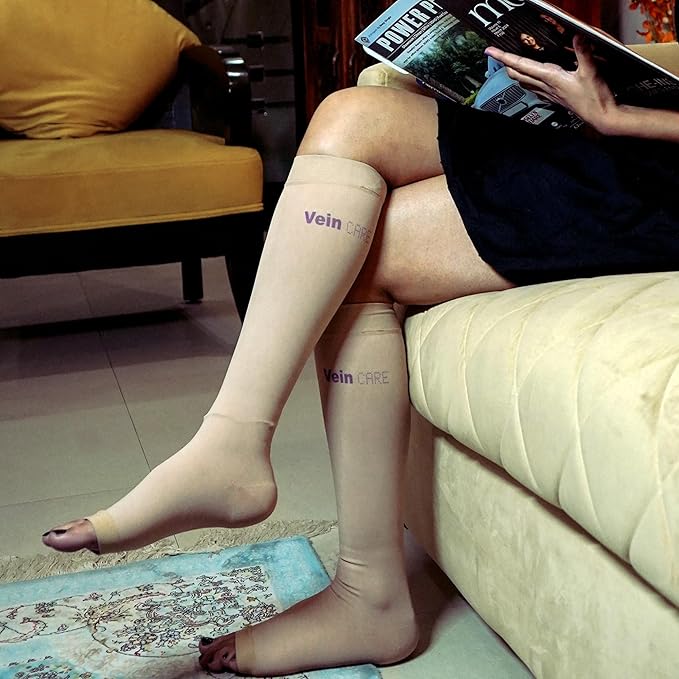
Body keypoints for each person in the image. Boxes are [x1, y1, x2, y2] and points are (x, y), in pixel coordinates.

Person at [41, 36, 679, 675]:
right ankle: (233, 440)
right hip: (628, 142)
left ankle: (365, 591)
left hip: (655, 173)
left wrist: (620, 117)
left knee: (359, 253)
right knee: (351, 116)